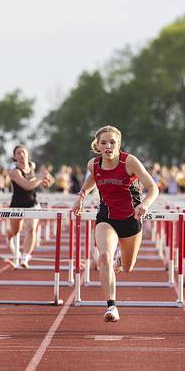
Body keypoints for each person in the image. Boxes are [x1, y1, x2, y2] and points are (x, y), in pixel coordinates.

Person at [72, 125, 159, 322]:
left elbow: (153, 188)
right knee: (104, 256)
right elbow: (93, 179)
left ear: (118, 144)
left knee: (128, 267)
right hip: (106, 218)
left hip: (131, 219)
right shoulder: (93, 164)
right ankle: (112, 306)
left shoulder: (129, 162)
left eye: (112, 142)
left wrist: (145, 204)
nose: (108, 146)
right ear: (98, 145)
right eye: (104, 143)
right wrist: (82, 195)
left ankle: (120, 262)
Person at [4, 145, 51, 268]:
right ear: (14, 157)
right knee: (15, 231)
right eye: (18, 153)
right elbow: (28, 186)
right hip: (17, 205)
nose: (21, 155)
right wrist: (40, 178)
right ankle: (8, 236)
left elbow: (46, 182)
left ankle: (24, 257)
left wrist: (46, 180)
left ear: (28, 154)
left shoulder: (32, 166)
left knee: (31, 229)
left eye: (23, 152)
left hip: (32, 204)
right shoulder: (14, 172)